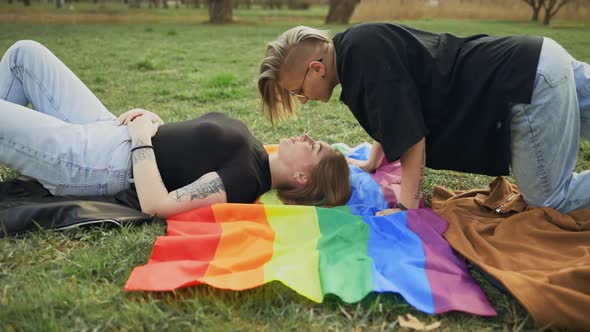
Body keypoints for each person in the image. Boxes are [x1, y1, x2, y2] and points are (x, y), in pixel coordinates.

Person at [258, 23, 590, 215]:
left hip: (523, 86)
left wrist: (406, 208)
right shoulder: (355, 47)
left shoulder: (363, 62)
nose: (302, 99)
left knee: (550, 199)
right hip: (540, 57)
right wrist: (374, 161)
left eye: (298, 90)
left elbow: (412, 138)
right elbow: (396, 110)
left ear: (316, 69)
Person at [0, 40, 351, 218]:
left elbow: (157, 203)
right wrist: (153, 122)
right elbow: (184, 154)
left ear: (303, 178)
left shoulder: (245, 180)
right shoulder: (255, 152)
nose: (307, 137)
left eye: (315, 146)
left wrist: (141, 141)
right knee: (23, 55)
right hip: (111, 129)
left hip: (96, 162)